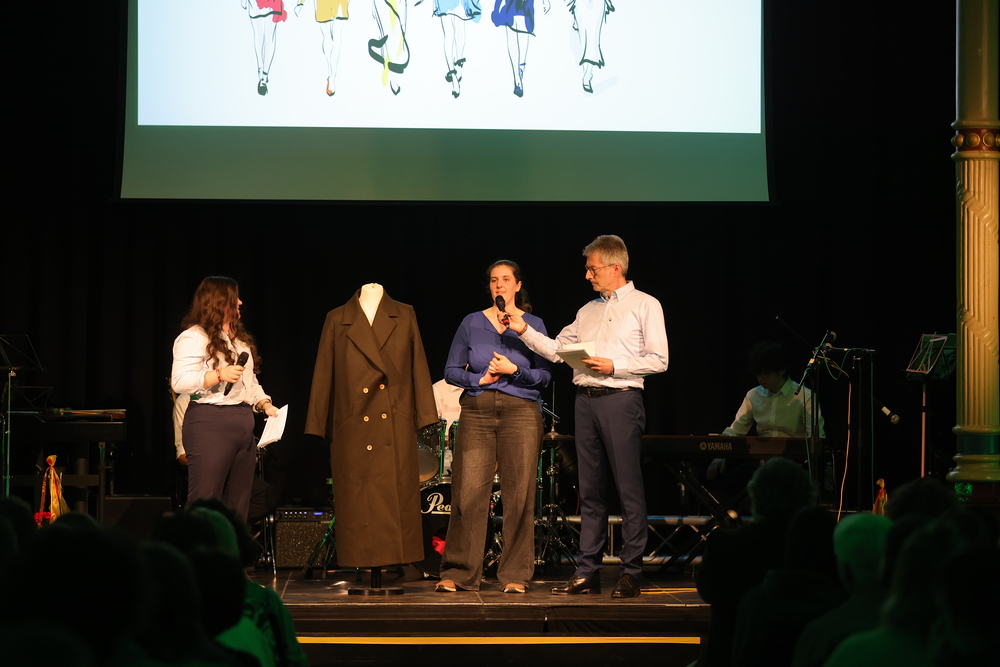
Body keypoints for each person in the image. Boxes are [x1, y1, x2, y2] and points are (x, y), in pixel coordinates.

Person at [506, 235, 669, 598]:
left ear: (615, 268)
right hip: (585, 401)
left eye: (593, 269)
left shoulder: (645, 305)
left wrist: (615, 366)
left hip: (621, 400)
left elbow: (660, 360)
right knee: (591, 490)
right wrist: (524, 330)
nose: (587, 275)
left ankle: (631, 572)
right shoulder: (587, 311)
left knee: (628, 488)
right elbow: (555, 351)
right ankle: (587, 571)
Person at [437, 260, 552, 594]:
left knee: (519, 496)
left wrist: (516, 370)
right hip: (478, 410)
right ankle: (459, 572)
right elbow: (451, 370)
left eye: (505, 279)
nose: (499, 285)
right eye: (493, 280)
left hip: (521, 411)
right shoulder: (471, 322)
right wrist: (479, 379)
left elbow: (546, 376)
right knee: (468, 493)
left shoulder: (533, 324)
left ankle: (515, 574)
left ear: (518, 285)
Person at [171, 276, 279, 523]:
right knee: (205, 500)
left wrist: (264, 404)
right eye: (234, 298)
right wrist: (218, 375)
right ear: (219, 301)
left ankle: (231, 548)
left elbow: (249, 383)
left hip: (242, 423)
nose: (240, 302)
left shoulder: (239, 341)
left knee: (238, 504)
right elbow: (180, 381)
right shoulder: (193, 337)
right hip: (210, 423)